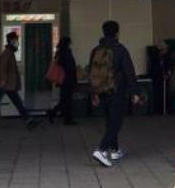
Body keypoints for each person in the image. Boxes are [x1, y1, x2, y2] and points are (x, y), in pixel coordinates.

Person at [88, 20, 140, 168]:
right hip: (117, 91)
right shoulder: (120, 50)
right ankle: (102, 149)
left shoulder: (95, 50)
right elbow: (129, 72)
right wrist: (135, 92)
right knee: (116, 122)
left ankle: (115, 150)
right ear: (117, 32)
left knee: (110, 121)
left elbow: (91, 73)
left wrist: (94, 94)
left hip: (102, 91)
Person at [0, 31, 40, 134]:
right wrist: (3, 79)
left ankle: (29, 121)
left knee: (17, 102)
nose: (17, 42)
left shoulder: (9, 52)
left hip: (8, 83)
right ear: (12, 41)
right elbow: (2, 67)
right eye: (16, 40)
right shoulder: (7, 52)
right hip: (5, 83)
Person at [47, 36, 78, 125]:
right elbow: (70, 66)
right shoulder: (66, 52)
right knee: (67, 100)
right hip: (67, 79)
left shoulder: (60, 52)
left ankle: (64, 117)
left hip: (63, 80)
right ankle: (56, 114)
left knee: (64, 100)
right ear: (67, 43)